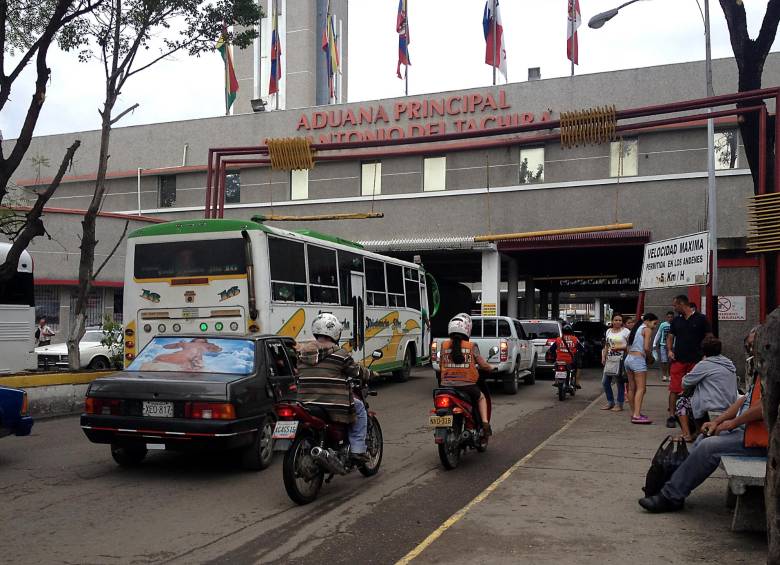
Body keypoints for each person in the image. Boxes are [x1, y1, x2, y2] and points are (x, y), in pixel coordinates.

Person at [639, 330, 766, 512]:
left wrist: (733, 423)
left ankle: (670, 496)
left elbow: (763, 406)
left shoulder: (771, 371)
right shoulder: (750, 367)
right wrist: (718, 421)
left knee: (708, 446)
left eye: (754, 344)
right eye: (749, 345)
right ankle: (673, 484)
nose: (751, 348)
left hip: (760, 440)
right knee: (704, 436)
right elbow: (745, 400)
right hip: (745, 429)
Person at [296, 313, 373, 463]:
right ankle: (358, 450)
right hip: (332, 404)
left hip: (305, 402)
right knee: (359, 407)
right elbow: (356, 371)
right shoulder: (340, 354)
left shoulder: (302, 354)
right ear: (336, 333)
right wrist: (371, 374)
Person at [674, 336, 738, 442]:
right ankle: (696, 431)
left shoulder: (705, 364)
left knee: (681, 402)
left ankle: (686, 435)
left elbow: (685, 383)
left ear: (703, 351)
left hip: (712, 405)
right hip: (730, 405)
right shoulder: (728, 363)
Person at [439, 313, 494, 435]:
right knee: (481, 397)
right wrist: (491, 367)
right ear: (467, 329)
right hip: (467, 386)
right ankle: (485, 424)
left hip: (445, 386)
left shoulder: (443, 345)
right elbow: (483, 365)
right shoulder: (471, 346)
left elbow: (440, 364)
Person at [666, 295, 713, 429]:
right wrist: (669, 350)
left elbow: (709, 336)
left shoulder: (701, 319)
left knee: (694, 389)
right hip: (678, 359)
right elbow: (670, 336)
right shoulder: (676, 320)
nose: (674, 308)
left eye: (675, 305)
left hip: (696, 360)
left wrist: (706, 354)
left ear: (682, 304)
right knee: (674, 389)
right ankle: (672, 415)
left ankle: (694, 415)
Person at [624, 312, 659, 424]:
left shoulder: (636, 329)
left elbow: (627, 346)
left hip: (628, 359)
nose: (655, 326)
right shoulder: (647, 329)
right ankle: (637, 415)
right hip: (638, 360)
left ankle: (634, 412)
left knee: (631, 388)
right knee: (641, 389)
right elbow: (646, 348)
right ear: (647, 321)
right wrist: (650, 358)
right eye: (654, 323)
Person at [601, 313, 630, 411]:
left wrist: (619, 348)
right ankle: (610, 402)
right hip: (610, 360)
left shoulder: (626, 331)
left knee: (619, 382)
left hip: (621, 359)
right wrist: (604, 356)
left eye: (620, 320)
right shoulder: (608, 331)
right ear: (612, 321)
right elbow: (606, 345)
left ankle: (619, 404)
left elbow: (629, 346)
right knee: (605, 382)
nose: (618, 322)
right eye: (616, 320)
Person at [548, 324, 582, 389]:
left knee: (556, 366)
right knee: (579, 365)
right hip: (570, 361)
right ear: (571, 331)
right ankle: (577, 382)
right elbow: (581, 348)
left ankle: (556, 381)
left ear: (563, 331)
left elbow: (551, 349)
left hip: (559, 360)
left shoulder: (558, 339)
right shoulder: (575, 339)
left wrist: (555, 354)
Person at [653, 311, 674, 382]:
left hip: (672, 345)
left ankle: (670, 375)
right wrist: (654, 343)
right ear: (666, 317)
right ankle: (664, 375)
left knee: (670, 361)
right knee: (664, 361)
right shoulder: (663, 324)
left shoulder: (674, 324)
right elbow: (658, 333)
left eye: (671, 317)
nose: (670, 318)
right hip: (663, 345)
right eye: (668, 317)